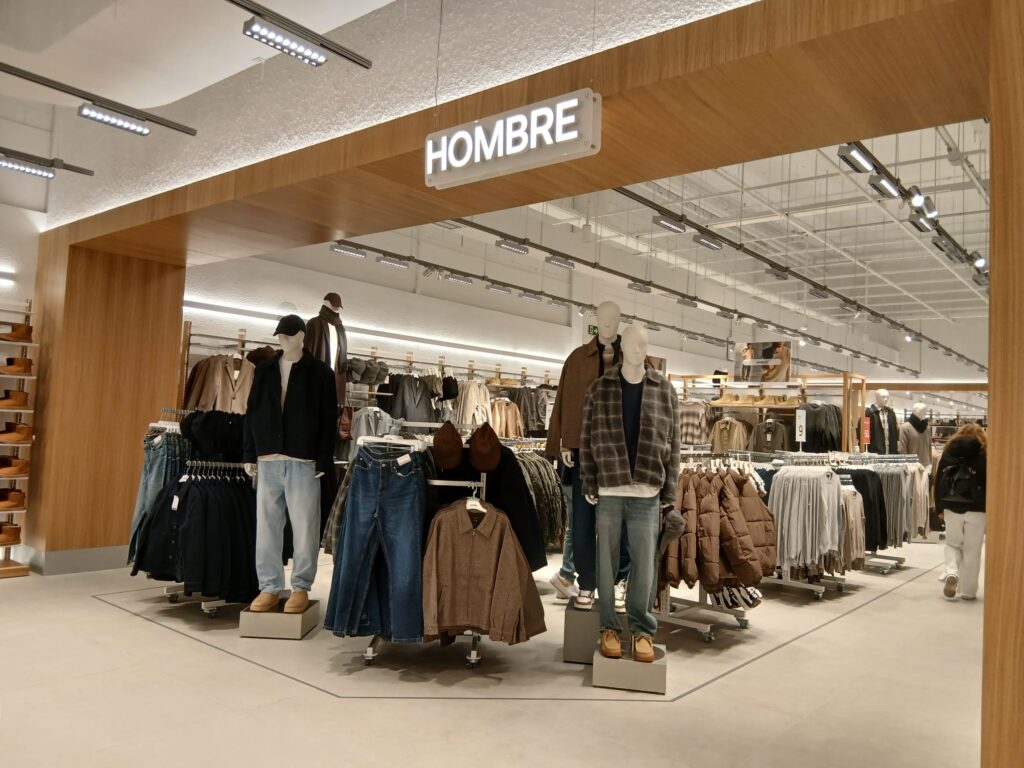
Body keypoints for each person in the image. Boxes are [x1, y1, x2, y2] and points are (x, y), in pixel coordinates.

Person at [935, 423, 987, 600]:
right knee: (973, 550)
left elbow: (939, 481)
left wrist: (939, 507)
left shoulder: (948, 453)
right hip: (978, 508)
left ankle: (952, 571)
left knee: (952, 543)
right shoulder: (985, 454)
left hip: (951, 505)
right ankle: (968, 591)